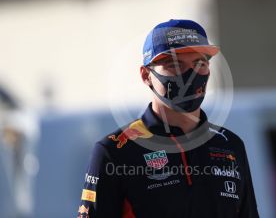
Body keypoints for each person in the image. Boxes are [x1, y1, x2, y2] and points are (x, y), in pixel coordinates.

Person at [77, 19, 259, 218]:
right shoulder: (115, 151)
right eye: (175, 64)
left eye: (200, 63)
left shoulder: (230, 145)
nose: (190, 75)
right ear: (146, 75)